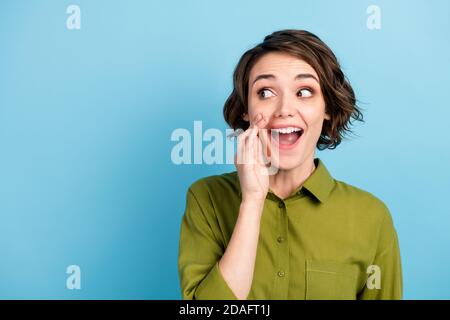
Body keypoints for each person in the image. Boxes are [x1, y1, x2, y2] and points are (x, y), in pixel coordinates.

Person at [178, 29, 402, 300]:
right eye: (266, 92)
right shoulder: (207, 198)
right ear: (247, 110)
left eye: (304, 91)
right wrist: (252, 201)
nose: (284, 108)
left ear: (327, 107)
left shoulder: (372, 217)